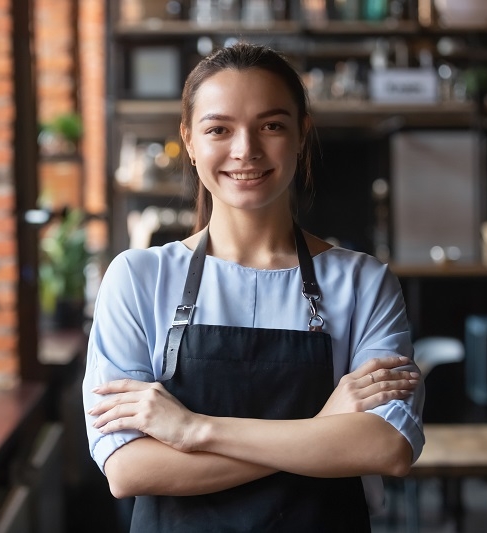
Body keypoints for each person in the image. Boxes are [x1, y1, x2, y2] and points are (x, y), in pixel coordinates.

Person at [83, 42, 424, 532]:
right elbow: (129, 467)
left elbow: (386, 447)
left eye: (271, 126)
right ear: (190, 140)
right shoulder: (139, 279)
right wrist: (322, 432)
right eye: (219, 129)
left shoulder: (362, 282)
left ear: (302, 135)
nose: (246, 149)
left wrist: (194, 430)